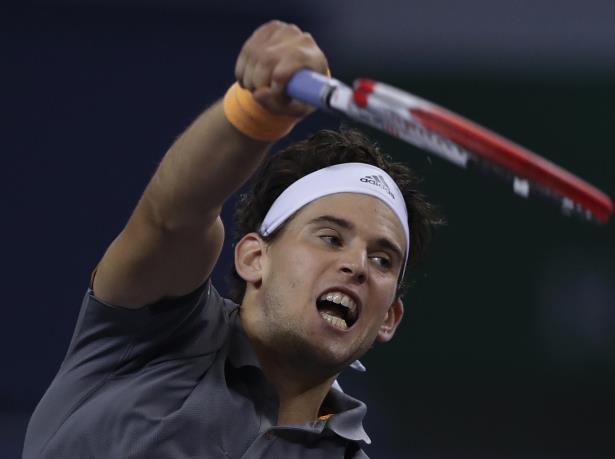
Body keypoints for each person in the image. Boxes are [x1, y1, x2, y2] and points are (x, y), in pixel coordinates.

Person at [23, 20, 442, 459]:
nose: (357, 265)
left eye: (382, 260)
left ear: (389, 318)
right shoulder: (156, 330)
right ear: (254, 257)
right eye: (331, 237)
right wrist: (257, 112)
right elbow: (172, 218)